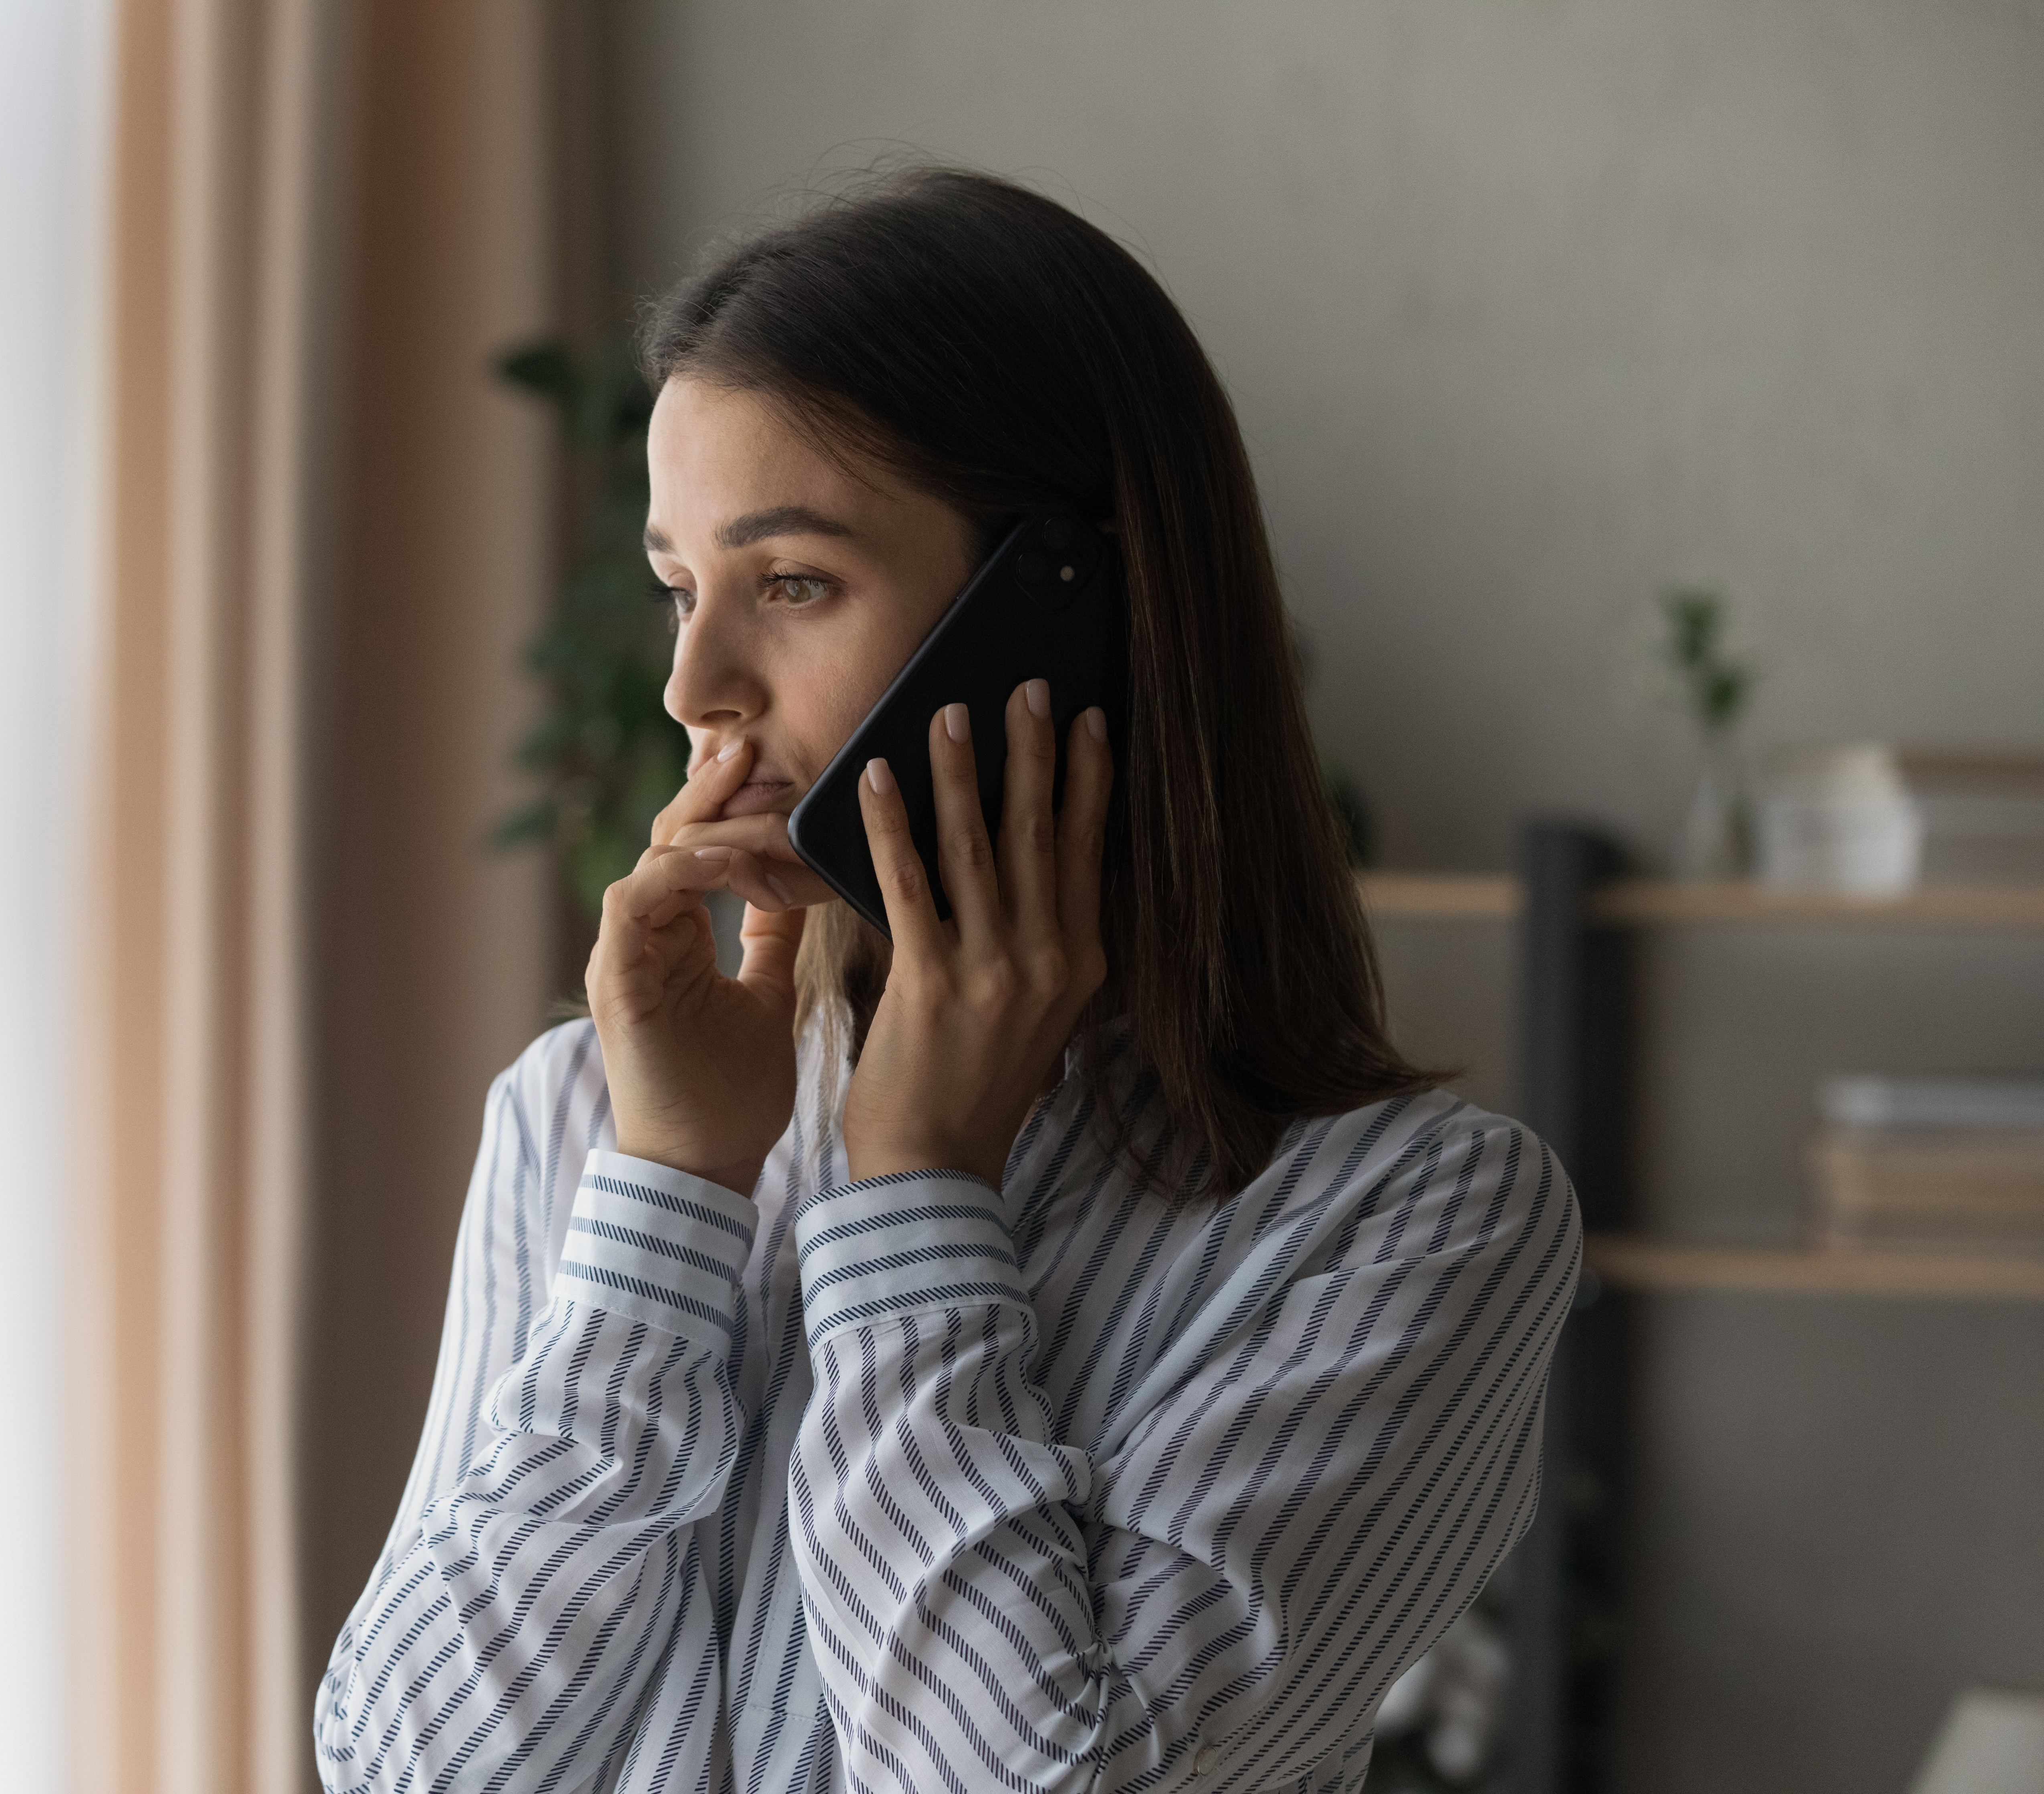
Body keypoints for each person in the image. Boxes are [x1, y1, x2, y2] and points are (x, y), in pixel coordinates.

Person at [314, 168, 1580, 1794]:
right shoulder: (591, 1119)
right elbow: (411, 1773)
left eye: (792, 584)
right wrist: (667, 1201)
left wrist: (916, 1195)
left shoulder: (1413, 1222)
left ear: (1065, 622)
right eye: (679, 588)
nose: (694, 685)